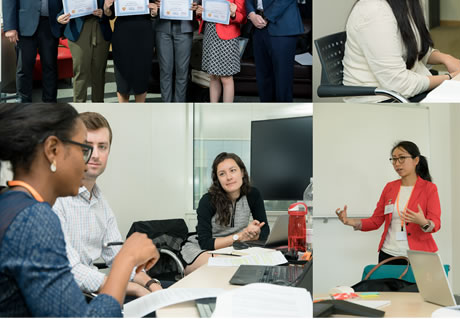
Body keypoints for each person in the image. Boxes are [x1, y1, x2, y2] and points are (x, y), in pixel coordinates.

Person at [0, 104, 159, 317]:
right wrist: (127, 258)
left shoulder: (16, 203)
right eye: (83, 149)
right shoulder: (34, 219)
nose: (88, 162)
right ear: (53, 150)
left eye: (101, 147)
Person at [52, 111, 163, 297]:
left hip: (93, 292)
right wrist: (135, 289)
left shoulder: (100, 202)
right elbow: (69, 271)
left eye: (102, 147)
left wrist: (150, 283)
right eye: (87, 147)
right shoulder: (55, 199)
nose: (95, 155)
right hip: (66, 298)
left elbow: (119, 256)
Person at [335, 141, 441, 264]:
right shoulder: (390, 188)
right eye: (394, 159)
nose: (397, 164)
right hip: (388, 254)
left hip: (419, 256)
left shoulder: (429, 188)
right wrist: (349, 221)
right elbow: (376, 221)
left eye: (402, 158)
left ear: (416, 160)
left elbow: (436, 224)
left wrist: (423, 222)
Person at [181, 152, 269, 274]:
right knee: (223, 266)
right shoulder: (207, 201)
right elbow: (206, 243)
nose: (229, 177)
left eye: (233, 170)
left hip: (235, 248)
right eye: (222, 174)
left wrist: (255, 233)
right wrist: (239, 236)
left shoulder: (253, 195)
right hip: (202, 248)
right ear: (218, 180)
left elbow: (265, 231)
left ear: (242, 172)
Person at [151, 0, 203, 103]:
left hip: (185, 27)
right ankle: (167, 105)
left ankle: (179, 106)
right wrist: (155, 1)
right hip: (163, 27)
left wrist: (195, 4)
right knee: (165, 70)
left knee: (182, 71)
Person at [56, 0, 113, 103]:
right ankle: (79, 108)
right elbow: (66, 7)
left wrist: (104, 12)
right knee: (80, 71)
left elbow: (111, 13)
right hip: (79, 31)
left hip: (101, 30)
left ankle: (99, 107)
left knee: (99, 72)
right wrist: (59, 17)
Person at [104, 0, 158, 103]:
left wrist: (154, 11)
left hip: (144, 38)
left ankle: (139, 110)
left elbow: (153, 14)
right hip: (122, 38)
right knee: (123, 78)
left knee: (141, 75)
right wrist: (107, 7)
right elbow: (110, 15)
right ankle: (124, 112)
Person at [196, 0, 246, 103]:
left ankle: (226, 109)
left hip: (227, 36)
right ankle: (213, 107)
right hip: (210, 35)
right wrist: (199, 12)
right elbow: (204, 12)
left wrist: (232, 13)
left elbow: (242, 17)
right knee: (212, 75)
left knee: (226, 78)